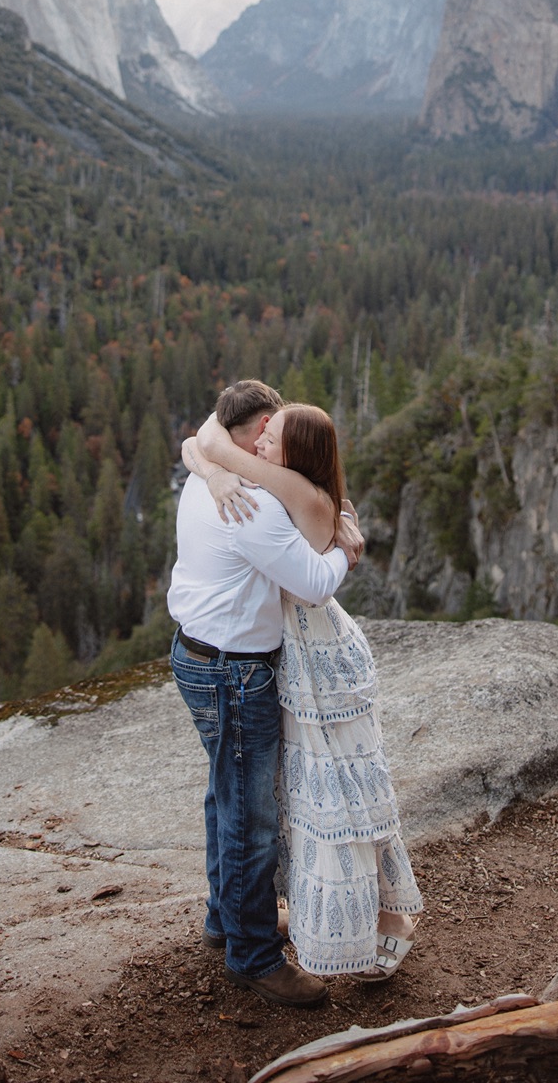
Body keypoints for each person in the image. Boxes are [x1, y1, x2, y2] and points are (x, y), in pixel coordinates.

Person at [192, 401, 422, 980]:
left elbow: (316, 586)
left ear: (294, 457)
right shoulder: (250, 488)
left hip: (296, 666)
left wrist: (341, 547)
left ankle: (245, 930)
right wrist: (216, 464)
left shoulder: (289, 500)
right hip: (247, 665)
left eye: (270, 439)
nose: (258, 445)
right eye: (259, 434)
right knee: (244, 804)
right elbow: (204, 439)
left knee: (256, 802)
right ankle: (247, 945)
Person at [167, 380, 364, 1008]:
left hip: (198, 654)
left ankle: (226, 920)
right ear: (255, 436)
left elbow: (204, 433)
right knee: (250, 815)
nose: (278, 437)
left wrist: (210, 450)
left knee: (224, 794)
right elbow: (310, 585)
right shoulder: (248, 503)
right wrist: (346, 550)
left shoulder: (212, 470)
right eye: (273, 429)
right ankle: (253, 955)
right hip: (233, 671)